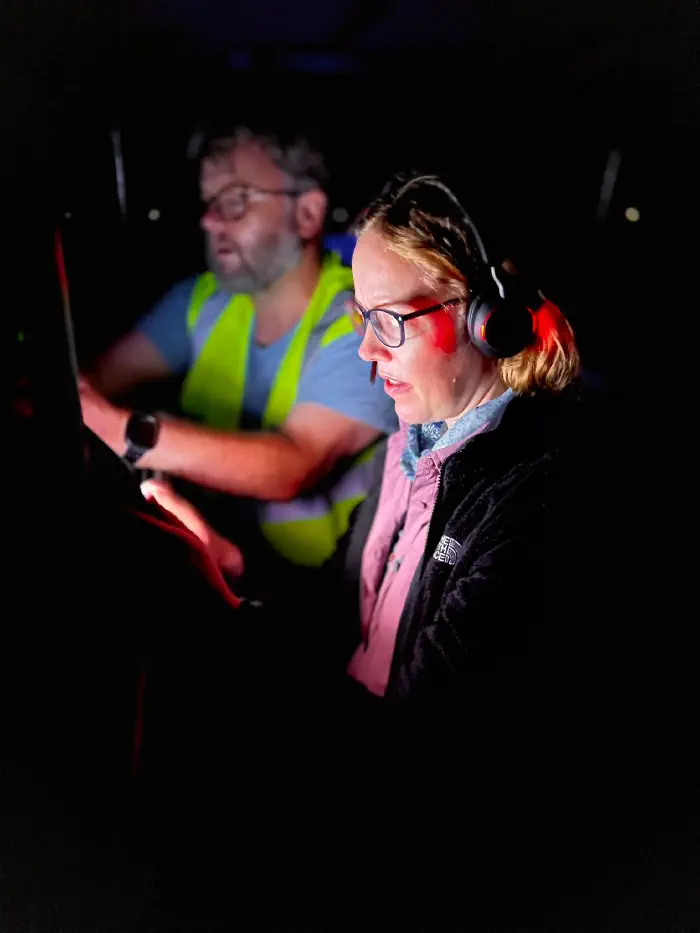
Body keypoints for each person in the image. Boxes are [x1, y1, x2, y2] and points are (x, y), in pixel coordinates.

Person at [80, 125, 397, 572]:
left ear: (307, 213)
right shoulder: (202, 301)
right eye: (209, 203)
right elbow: (93, 379)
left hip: (322, 586)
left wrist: (127, 433)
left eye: (235, 201)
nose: (210, 221)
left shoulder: (361, 319)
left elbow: (296, 465)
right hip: (213, 558)